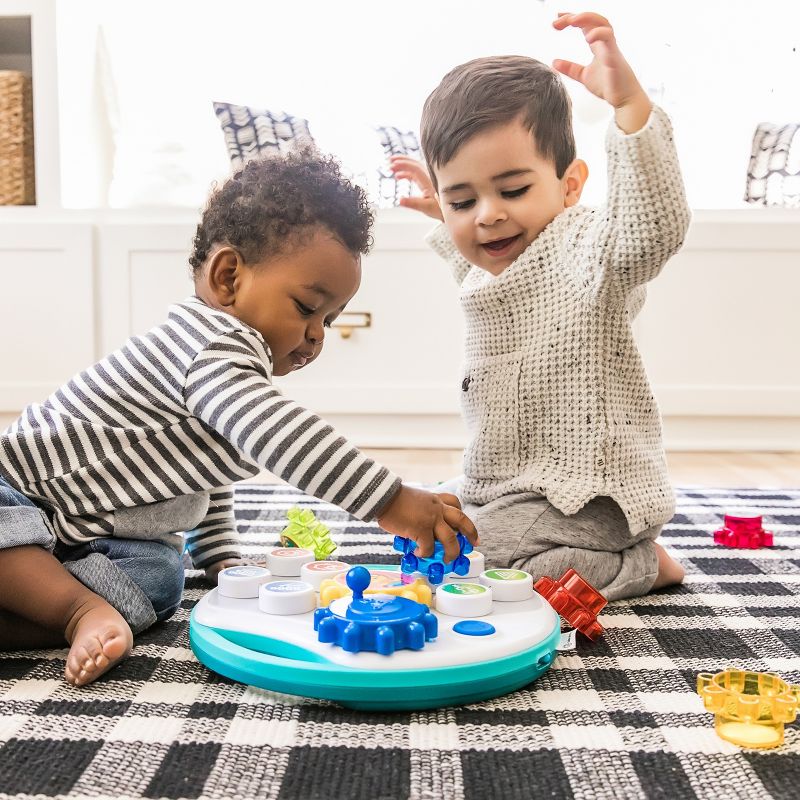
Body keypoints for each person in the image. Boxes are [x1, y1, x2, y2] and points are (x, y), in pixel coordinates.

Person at [0, 149, 477, 685]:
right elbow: (282, 436)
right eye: (305, 308)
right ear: (229, 277)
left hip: (76, 532)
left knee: (160, 579)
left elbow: (205, 474)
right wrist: (392, 503)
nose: (317, 334)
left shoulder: (227, 374)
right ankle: (76, 610)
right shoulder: (211, 345)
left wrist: (221, 560)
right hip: (21, 492)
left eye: (331, 319)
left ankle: (37, 606)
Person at [390, 11, 689, 600]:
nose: (488, 215)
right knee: (438, 521)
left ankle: (645, 564)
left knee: (493, 568)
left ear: (570, 184)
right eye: (463, 199)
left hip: (591, 493)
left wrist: (631, 113)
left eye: (513, 190)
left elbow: (651, 230)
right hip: (511, 482)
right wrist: (438, 216)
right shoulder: (498, 260)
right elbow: (485, 278)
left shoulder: (588, 249)